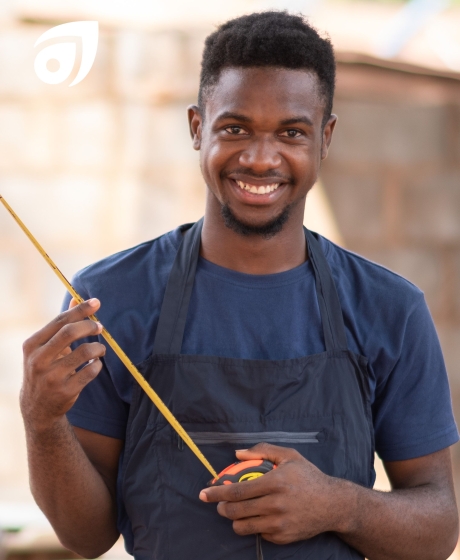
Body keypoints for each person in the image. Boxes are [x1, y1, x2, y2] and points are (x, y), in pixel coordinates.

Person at [20, 11, 459, 560]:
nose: (260, 157)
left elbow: (439, 527)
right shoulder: (112, 298)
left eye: (291, 133)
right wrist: (42, 422)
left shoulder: (390, 308)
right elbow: (86, 537)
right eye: (236, 128)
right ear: (198, 128)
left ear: (325, 138)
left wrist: (339, 506)